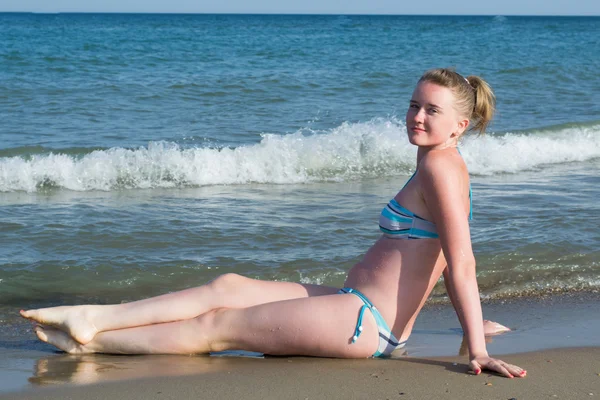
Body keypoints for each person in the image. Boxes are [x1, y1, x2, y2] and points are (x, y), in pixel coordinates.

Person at [21, 68, 525, 379]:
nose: (416, 116)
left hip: (365, 327)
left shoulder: (440, 166)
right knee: (228, 286)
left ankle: (93, 340)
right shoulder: (436, 160)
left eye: (431, 110)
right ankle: (96, 316)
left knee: (218, 327)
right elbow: (429, 258)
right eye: (414, 105)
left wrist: (476, 347)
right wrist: (474, 322)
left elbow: (460, 260)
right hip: (352, 307)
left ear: (461, 124)